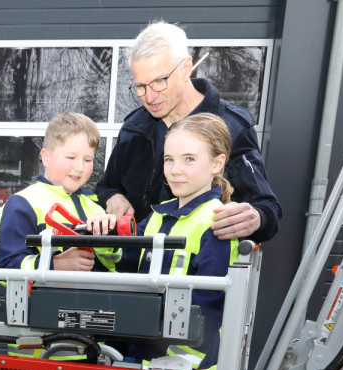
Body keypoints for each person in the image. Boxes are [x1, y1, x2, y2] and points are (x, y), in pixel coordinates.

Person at [116, 113, 240, 370]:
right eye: (170, 160)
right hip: (146, 361)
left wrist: (174, 355)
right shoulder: (157, 216)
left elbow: (209, 301)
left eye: (189, 159)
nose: (175, 170)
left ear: (217, 164)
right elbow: (129, 271)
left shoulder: (217, 221)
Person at [95, 21, 281, 244]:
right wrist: (113, 197)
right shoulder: (134, 128)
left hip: (200, 263)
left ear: (186, 68)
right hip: (131, 260)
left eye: (159, 81)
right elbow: (107, 186)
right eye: (141, 86)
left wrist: (257, 218)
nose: (149, 97)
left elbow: (268, 209)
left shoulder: (233, 126)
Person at [0, 112, 118, 272]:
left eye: (87, 160)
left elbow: (119, 267)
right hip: (45, 290)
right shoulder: (23, 204)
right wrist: (56, 264)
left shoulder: (96, 208)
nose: (80, 167)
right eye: (71, 157)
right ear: (46, 157)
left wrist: (108, 244)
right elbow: (7, 266)